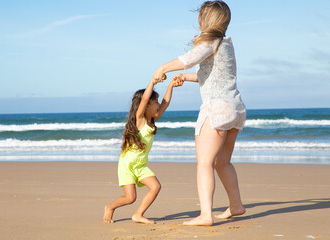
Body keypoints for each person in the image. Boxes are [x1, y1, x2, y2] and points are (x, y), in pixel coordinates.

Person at [152, 1, 246, 226]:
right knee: (222, 162)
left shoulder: (210, 41)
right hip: (235, 108)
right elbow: (213, 76)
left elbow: (189, 59)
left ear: (206, 20)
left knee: (204, 163)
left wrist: (162, 68)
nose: (198, 19)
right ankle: (236, 206)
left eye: (200, 16)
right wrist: (186, 77)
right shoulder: (226, 44)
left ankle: (206, 215)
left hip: (216, 108)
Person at [103, 77, 182, 224]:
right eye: (155, 102)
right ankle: (110, 207)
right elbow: (145, 98)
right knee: (130, 198)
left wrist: (171, 85)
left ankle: (138, 215)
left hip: (140, 165)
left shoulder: (153, 120)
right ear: (145, 106)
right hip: (127, 164)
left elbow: (166, 103)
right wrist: (153, 81)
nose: (159, 104)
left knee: (156, 186)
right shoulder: (140, 120)